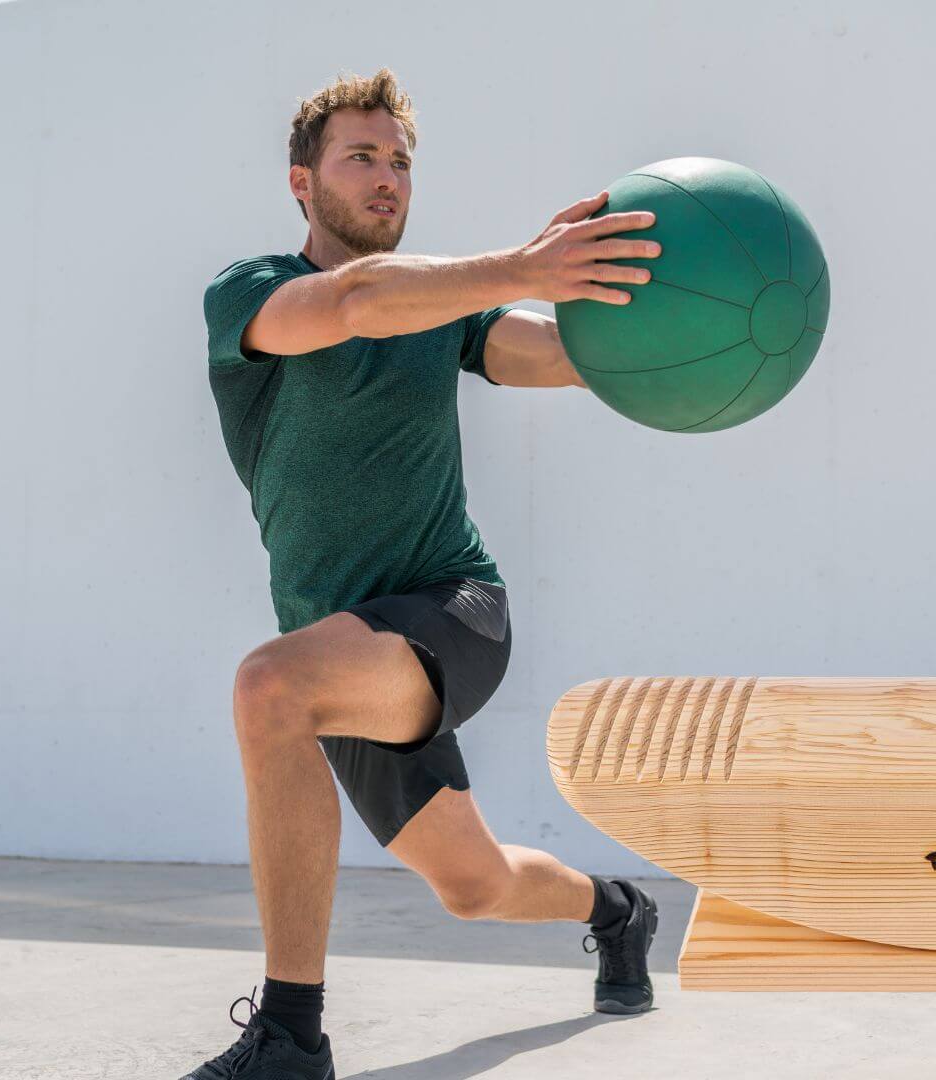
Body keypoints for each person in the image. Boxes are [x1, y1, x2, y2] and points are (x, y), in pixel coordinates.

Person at [181, 68, 665, 1080]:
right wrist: (524, 265)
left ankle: (289, 1037)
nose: (388, 178)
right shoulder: (251, 295)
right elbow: (355, 302)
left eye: (401, 161)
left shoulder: (446, 307)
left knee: (269, 685)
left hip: (454, 611)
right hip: (345, 642)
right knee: (475, 886)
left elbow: (555, 355)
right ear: (301, 185)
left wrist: (657, 326)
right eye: (361, 157)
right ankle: (618, 910)